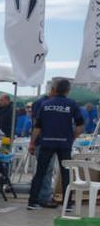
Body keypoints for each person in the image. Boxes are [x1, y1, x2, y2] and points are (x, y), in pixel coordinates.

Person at [28, 79, 85, 210]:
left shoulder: (45, 104)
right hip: (64, 143)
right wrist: (72, 138)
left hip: (46, 142)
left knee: (40, 173)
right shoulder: (72, 104)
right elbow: (80, 125)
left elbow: (37, 126)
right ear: (67, 90)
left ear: (55, 89)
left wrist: (32, 142)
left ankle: (32, 202)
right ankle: (67, 205)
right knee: (66, 174)